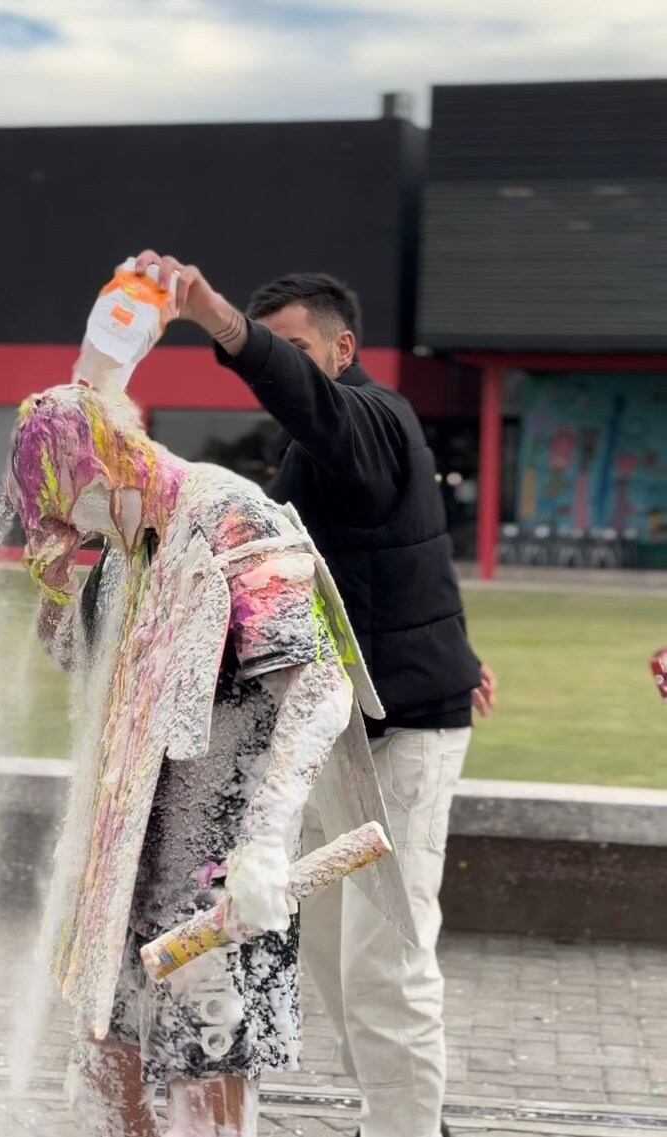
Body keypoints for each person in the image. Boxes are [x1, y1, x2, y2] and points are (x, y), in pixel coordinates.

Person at [130, 251, 497, 1137]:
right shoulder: (317, 448)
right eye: (275, 349)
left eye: (299, 351)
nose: (287, 368)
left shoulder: (368, 415)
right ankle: (409, 1121)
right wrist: (455, 646)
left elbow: (327, 424)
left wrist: (219, 319)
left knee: (386, 964)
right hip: (337, 729)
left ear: (341, 352)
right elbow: (377, 565)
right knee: (331, 960)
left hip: (401, 734)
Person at [8, 377, 380, 1137]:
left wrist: (267, 846)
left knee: (205, 1071)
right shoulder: (124, 542)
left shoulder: (232, 518)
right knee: (105, 1055)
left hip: (217, 868)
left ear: (109, 465)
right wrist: (52, 587)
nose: (67, 524)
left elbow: (317, 689)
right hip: (120, 865)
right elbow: (84, 662)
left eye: (66, 505)